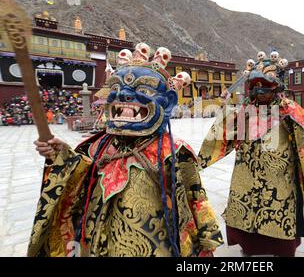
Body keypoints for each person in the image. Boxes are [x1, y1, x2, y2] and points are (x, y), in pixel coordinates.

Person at [29, 43, 223, 257]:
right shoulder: (97, 146)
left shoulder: (174, 151)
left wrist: (207, 240)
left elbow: (195, 197)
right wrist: (61, 155)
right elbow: (80, 178)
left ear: (167, 103)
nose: (124, 95)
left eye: (143, 90)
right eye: (115, 88)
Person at [198, 51, 304, 257]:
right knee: (246, 205)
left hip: (279, 170)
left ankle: (281, 249)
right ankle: (249, 246)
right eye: (256, 86)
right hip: (247, 169)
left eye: (265, 86)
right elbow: (227, 132)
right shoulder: (246, 108)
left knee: (279, 206)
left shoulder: (288, 108)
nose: (260, 91)